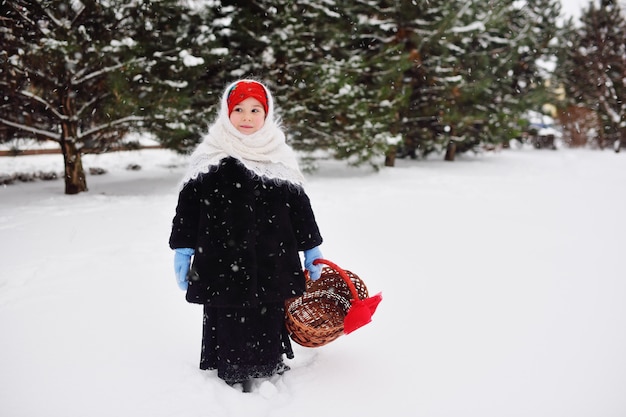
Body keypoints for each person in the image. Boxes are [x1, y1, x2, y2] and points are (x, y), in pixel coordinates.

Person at [169, 79, 324, 392]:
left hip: (273, 257)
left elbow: (300, 210)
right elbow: (189, 208)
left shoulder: (279, 157)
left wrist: (312, 249)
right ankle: (231, 367)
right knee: (228, 315)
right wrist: (183, 250)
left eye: (255, 109)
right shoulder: (209, 157)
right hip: (221, 259)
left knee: (267, 312)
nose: (247, 116)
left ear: (266, 114)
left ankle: (269, 362)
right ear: (227, 113)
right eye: (238, 109)